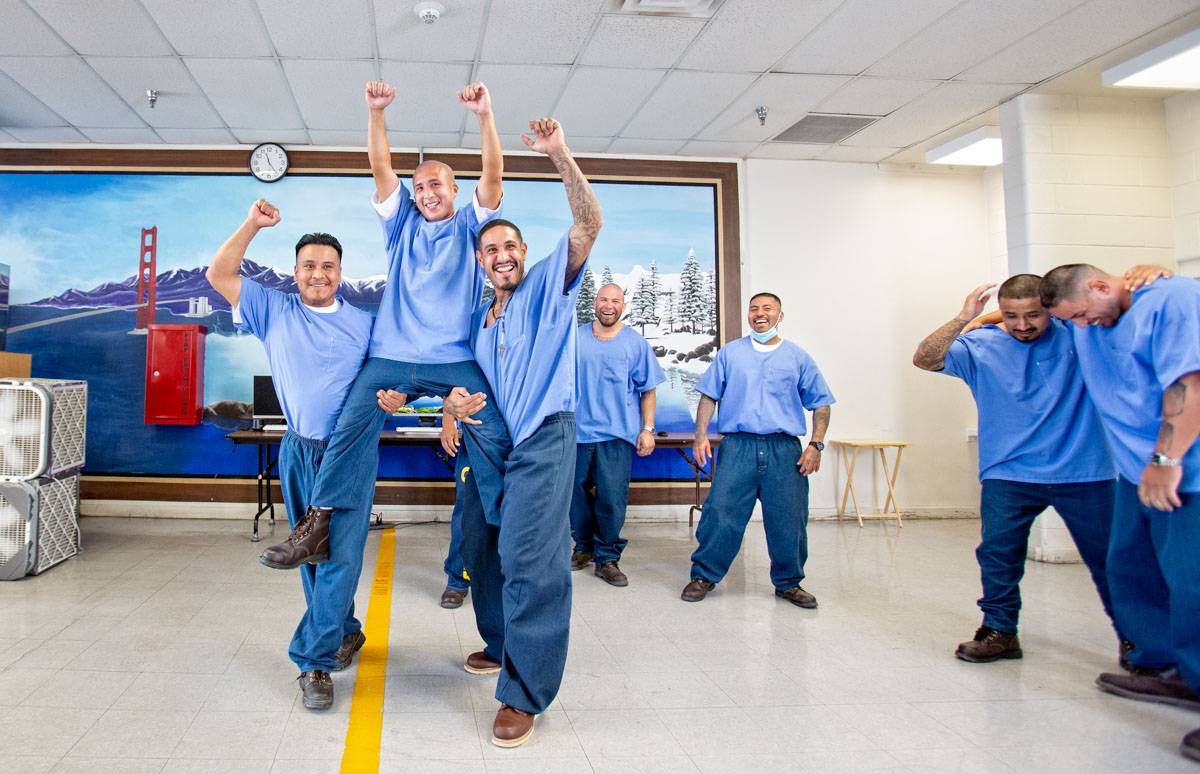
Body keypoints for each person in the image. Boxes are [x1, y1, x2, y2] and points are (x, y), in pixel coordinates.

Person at [259, 80, 512, 571]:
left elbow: (494, 173)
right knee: (349, 428)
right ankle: (318, 525)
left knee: (492, 428)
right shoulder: (402, 226)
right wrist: (376, 112)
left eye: (436, 185)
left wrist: (484, 115)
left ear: (455, 190)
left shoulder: (471, 227)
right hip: (390, 356)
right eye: (419, 187)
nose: (426, 193)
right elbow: (380, 167)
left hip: (453, 358)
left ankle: (508, 520)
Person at [206, 199, 405, 710]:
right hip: (298, 448)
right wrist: (252, 223)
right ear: (295, 272)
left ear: (341, 273)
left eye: (328, 266)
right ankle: (345, 629)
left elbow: (393, 377)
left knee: (340, 556)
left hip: (350, 452)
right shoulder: (273, 310)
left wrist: (397, 396)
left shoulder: (364, 324)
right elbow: (219, 273)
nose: (319, 274)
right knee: (311, 553)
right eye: (309, 265)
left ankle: (313, 661)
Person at [442, 116, 601, 748]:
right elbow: (460, 378)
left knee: (530, 559)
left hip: (543, 436)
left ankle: (525, 691)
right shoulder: (479, 318)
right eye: (490, 249)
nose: (502, 255)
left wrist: (559, 152)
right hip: (491, 442)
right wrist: (450, 408)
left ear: (524, 252)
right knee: (481, 546)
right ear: (481, 261)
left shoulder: (547, 289)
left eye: (510, 246)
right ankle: (501, 642)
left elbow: (587, 224)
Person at [913, 275, 1121, 663]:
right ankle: (1000, 631)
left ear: (1050, 310)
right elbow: (925, 358)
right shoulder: (980, 345)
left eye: (1033, 316)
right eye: (1011, 316)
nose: (1023, 325)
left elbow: (1117, 315)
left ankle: (1136, 642)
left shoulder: (1077, 336)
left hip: (1084, 471)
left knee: (1111, 560)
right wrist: (965, 317)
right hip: (1007, 472)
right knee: (998, 556)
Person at [1041, 265, 1200, 763]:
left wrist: (1166, 461)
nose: (1081, 327)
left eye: (1083, 315)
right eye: (1073, 320)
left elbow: (1190, 385)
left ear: (1101, 285)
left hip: (1184, 471)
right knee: (1130, 569)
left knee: (1193, 584)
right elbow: (1022, 307)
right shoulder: (1089, 317)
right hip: (1135, 474)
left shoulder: (1173, 300)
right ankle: (1170, 670)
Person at [682, 293, 834, 607]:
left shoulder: (797, 357)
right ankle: (704, 575)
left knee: (789, 519)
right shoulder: (731, 354)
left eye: (767, 308)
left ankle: (789, 583)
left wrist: (816, 445)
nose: (759, 314)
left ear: (780, 315)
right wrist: (700, 436)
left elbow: (821, 404)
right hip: (738, 446)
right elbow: (709, 396)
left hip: (784, 450)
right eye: (754, 309)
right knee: (720, 513)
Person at [569, 283, 665, 586]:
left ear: (623, 305)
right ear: (595, 303)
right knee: (573, 496)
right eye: (603, 300)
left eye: (615, 301)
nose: (608, 305)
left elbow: (648, 390)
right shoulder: (575, 338)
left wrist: (647, 429)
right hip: (577, 434)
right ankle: (583, 546)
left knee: (611, 499)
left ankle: (607, 558)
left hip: (617, 434)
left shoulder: (635, 344)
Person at [438, 407, 470, 608]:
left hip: (519, 438)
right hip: (476, 438)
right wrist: (448, 423)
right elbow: (452, 391)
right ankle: (457, 581)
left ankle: (512, 579)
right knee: (466, 510)